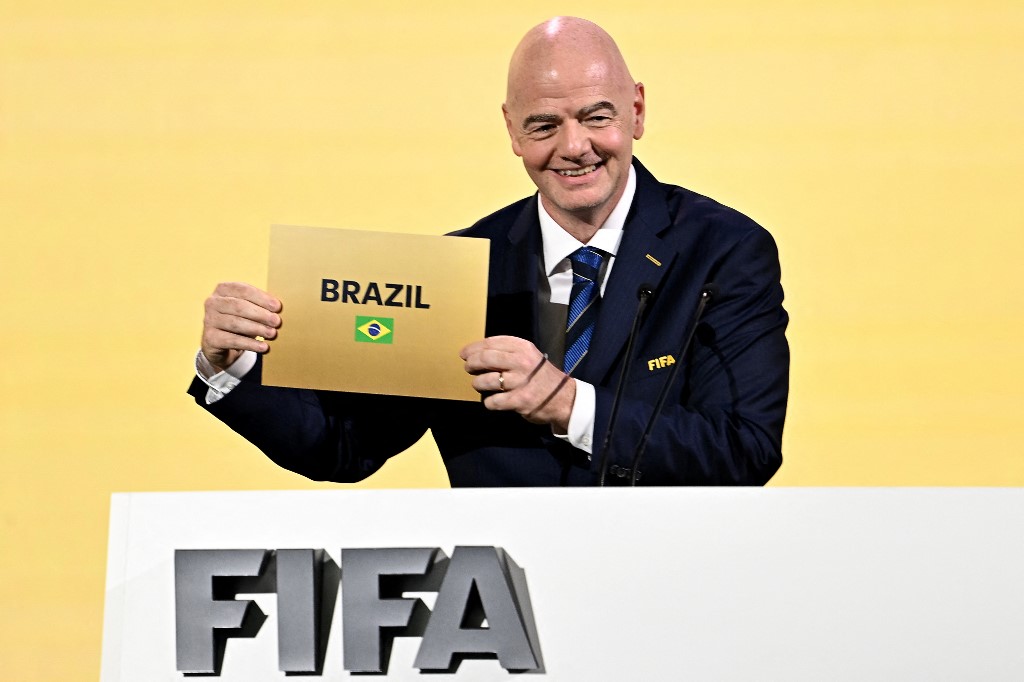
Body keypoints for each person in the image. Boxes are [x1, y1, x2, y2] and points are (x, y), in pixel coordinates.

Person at [189, 17, 789, 486]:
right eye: (544, 125)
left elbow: (745, 449)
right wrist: (230, 364)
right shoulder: (462, 270)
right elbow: (344, 446)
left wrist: (566, 403)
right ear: (511, 129)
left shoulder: (723, 252)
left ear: (636, 110)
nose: (574, 146)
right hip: (505, 588)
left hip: (667, 575)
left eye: (596, 117)